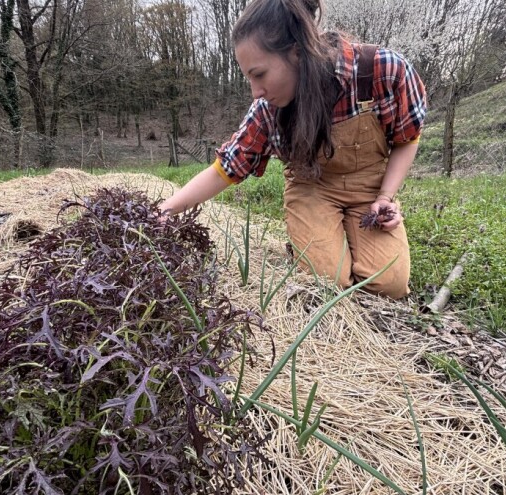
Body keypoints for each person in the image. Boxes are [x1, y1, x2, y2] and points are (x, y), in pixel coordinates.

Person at [158, 0, 427, 299]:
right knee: (328, 282)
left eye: (259, 74)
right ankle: (314, 235)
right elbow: (226, 169)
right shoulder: (267, 109)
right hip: (313, 188)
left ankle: (342, 236)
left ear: (297, 52)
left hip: (370, 189)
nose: (255, 91)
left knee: (388, 286)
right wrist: (165, 210)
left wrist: (385, 197)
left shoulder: (381, 71)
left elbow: (407, 139)